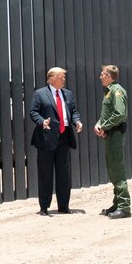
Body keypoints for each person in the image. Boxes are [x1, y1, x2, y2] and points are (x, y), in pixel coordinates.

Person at [30, 67, 83, 216]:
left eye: (64, 77)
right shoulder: (40, 93)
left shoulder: (68, 94)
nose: (64, 80)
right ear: (51, 78)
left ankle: (64, 206)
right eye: (61, 77)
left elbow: (73, 112)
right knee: (45, 174)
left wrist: (77, 121)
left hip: (64, 137)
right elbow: (33, 112)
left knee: (64, 174)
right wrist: (42, 121)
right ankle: (44, 207)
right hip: (46, 138)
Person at [93, 64, 131, 219]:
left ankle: (124, 207)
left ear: (109, 76)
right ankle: (117, 204)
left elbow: (119, 114)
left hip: (115, 134)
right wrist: (99, 123)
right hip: (110, 134)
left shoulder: (117, 91)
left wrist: (104, 126)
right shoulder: (109, 91)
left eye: (102, 74)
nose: (100, 77)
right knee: (112, 169)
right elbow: (107, 113)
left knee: (117, 169)